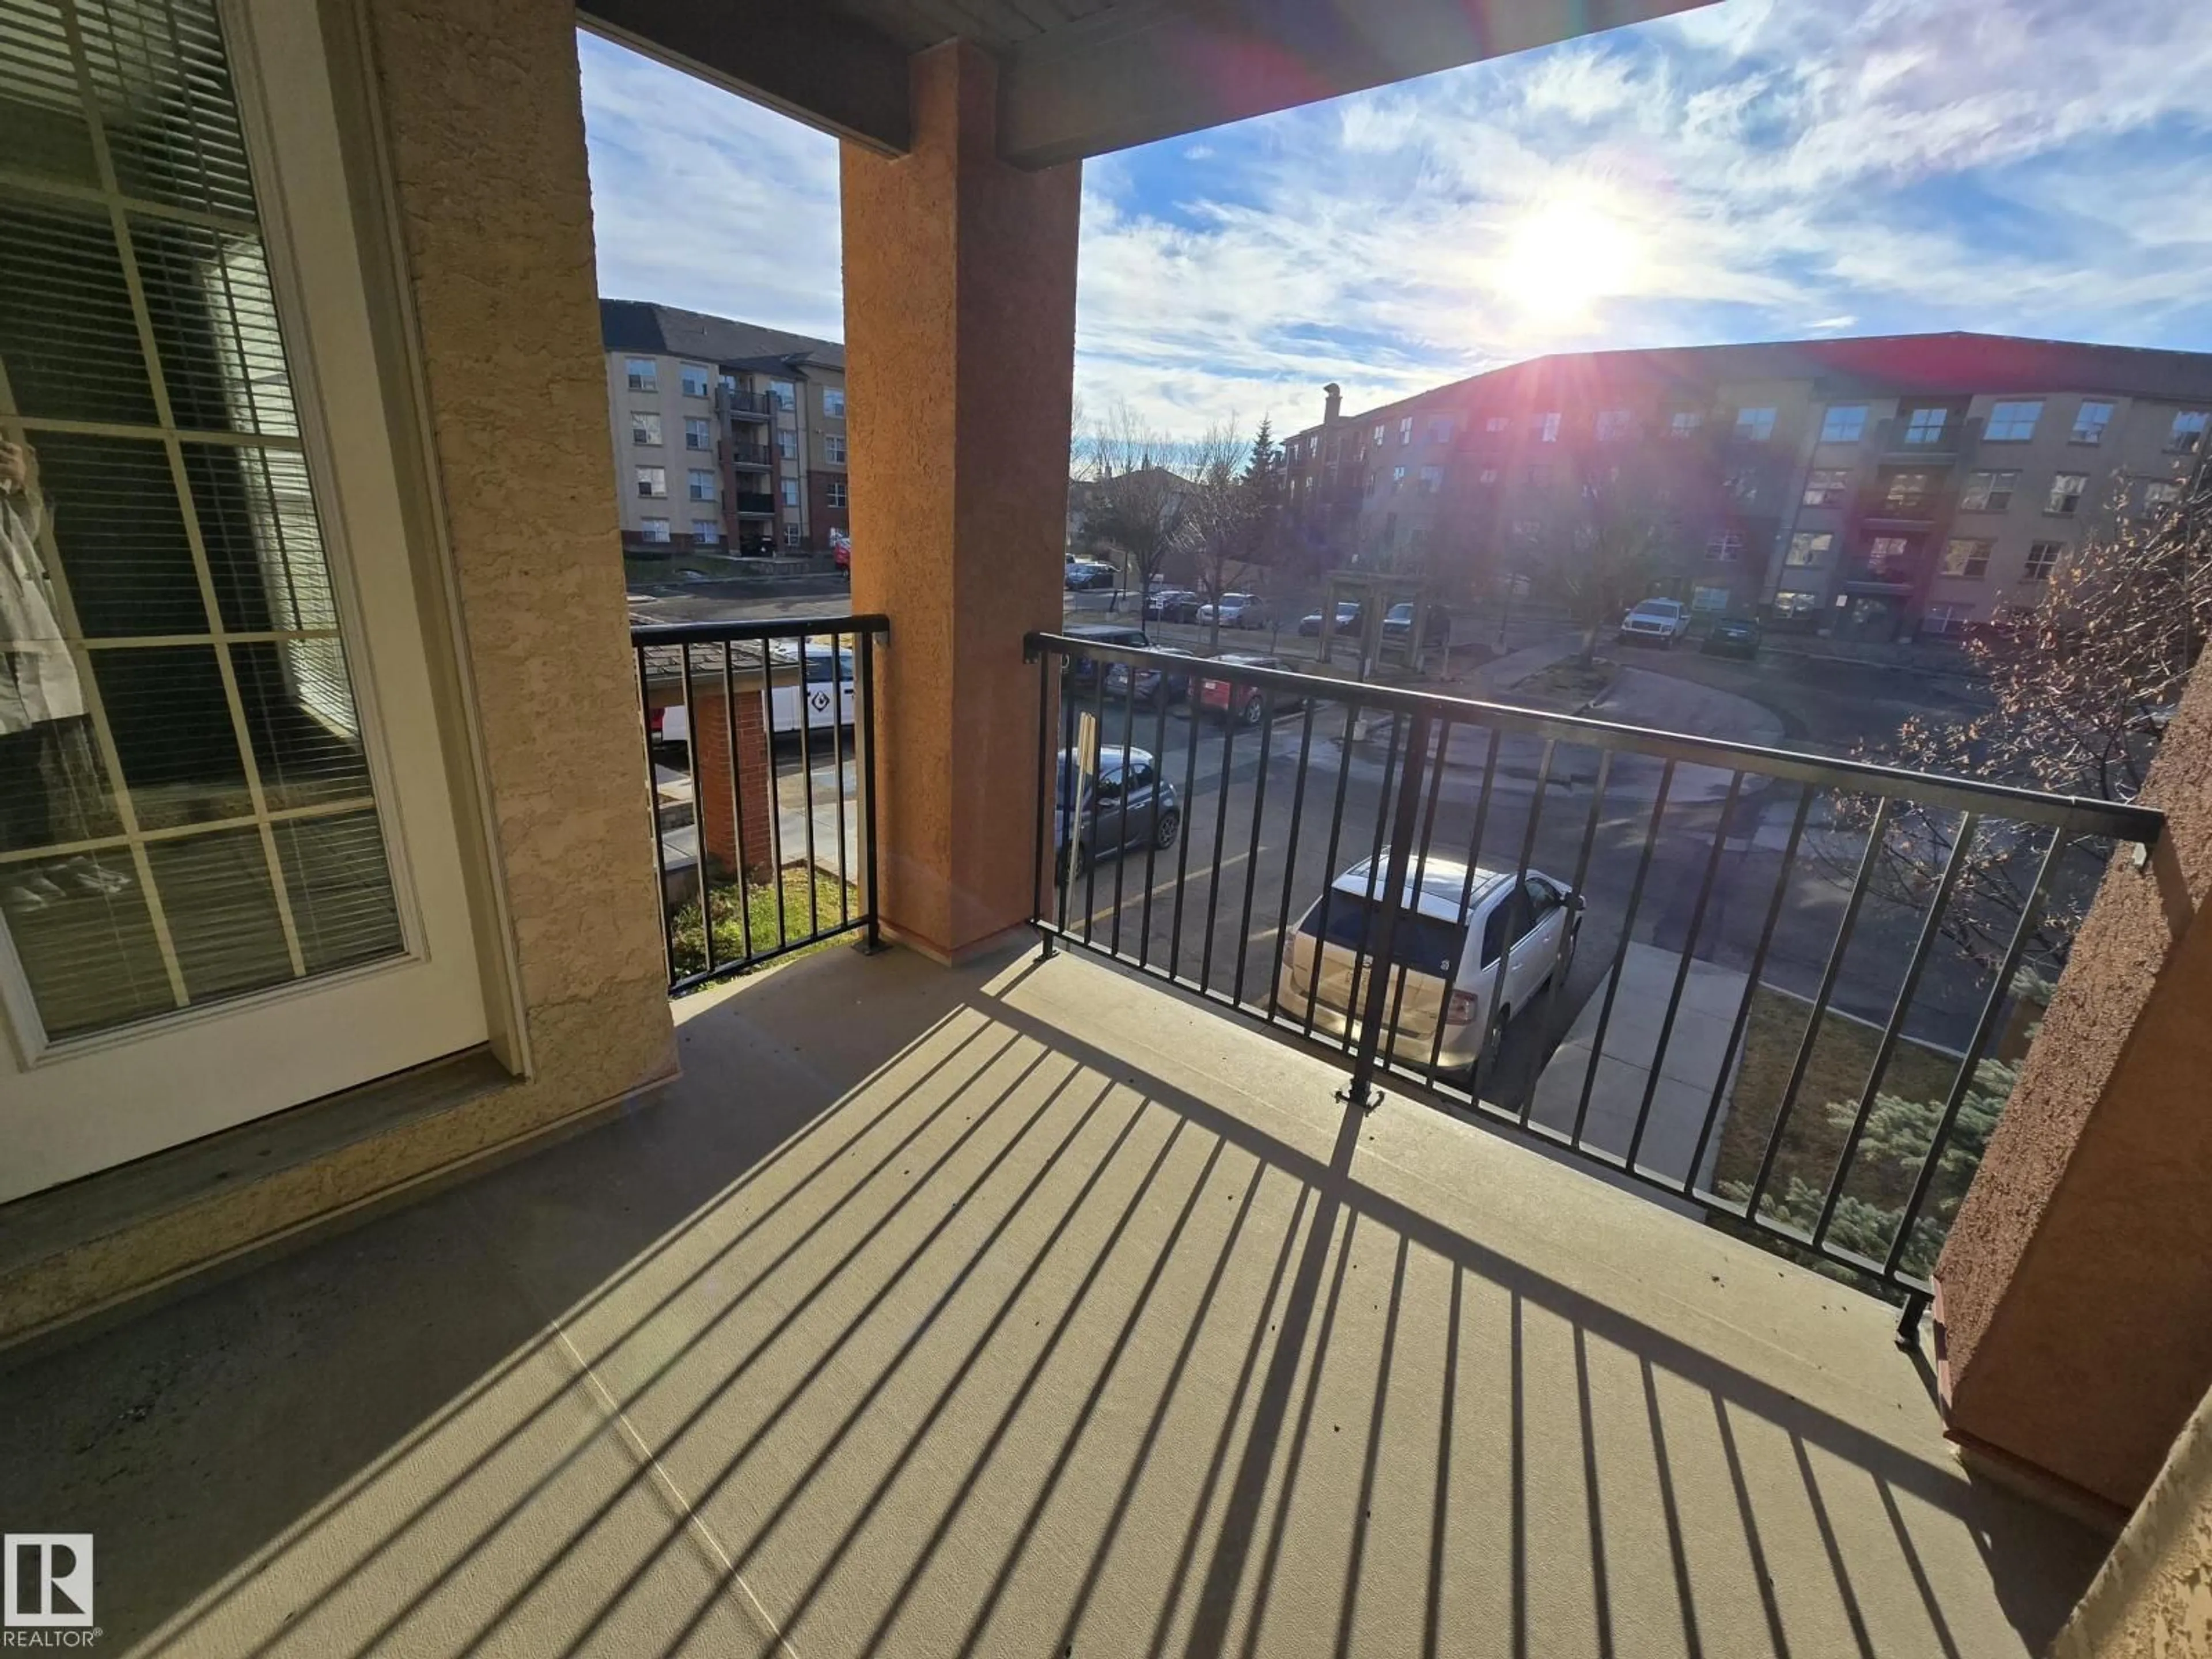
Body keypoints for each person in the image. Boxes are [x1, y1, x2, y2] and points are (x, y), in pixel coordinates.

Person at [1, 437, 127, 910]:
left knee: (30, 763)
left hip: (25, 640)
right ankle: (14, 868)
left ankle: (43, 859)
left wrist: (21, 487)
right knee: (9, 764)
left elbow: (28, 545)